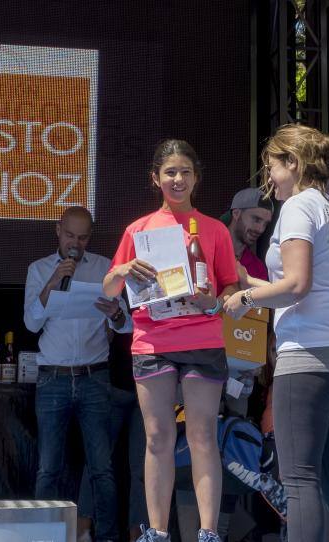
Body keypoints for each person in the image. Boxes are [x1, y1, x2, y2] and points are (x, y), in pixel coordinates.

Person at [224, 123, 329, 542]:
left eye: (271, 166)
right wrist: (246, 282)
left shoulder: (299, 207)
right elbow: (311, 284)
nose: (269, 178)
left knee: (299, 481)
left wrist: (245, 301)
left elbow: (296, 285)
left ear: (292, 162)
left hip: (309, 358)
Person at [103, 140, 239, 542]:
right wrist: (126, 267)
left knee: (201, 435)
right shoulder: (138, 230)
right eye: (169, 173)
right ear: (155, 179)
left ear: (196, 177)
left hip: (202, 338)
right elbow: (110, 288)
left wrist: (213, 299)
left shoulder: (214, 229)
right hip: (153, 340)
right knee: (158, 436)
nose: (177, 180)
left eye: (185, 172)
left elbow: (229, 285)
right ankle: (157, 531)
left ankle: (208, 531)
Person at [24, 206, 132, 542]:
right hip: (53, 377)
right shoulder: (39, 269)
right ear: (58, 231)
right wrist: (55, 281)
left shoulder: (104, 268)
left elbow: (125, 324)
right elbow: (31, 322)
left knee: (102, 468)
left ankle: (108, 537)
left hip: (93, 376)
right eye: (70, 235)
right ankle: (43, 536)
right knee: (48, 468)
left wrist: (115, 313)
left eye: (83, 237)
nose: (76, 243)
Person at [221, 187, 273, 281]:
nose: (261, 229)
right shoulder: (209, 252)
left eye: (265, 224)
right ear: (236, 213)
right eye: (256, 219)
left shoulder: (258, 268)